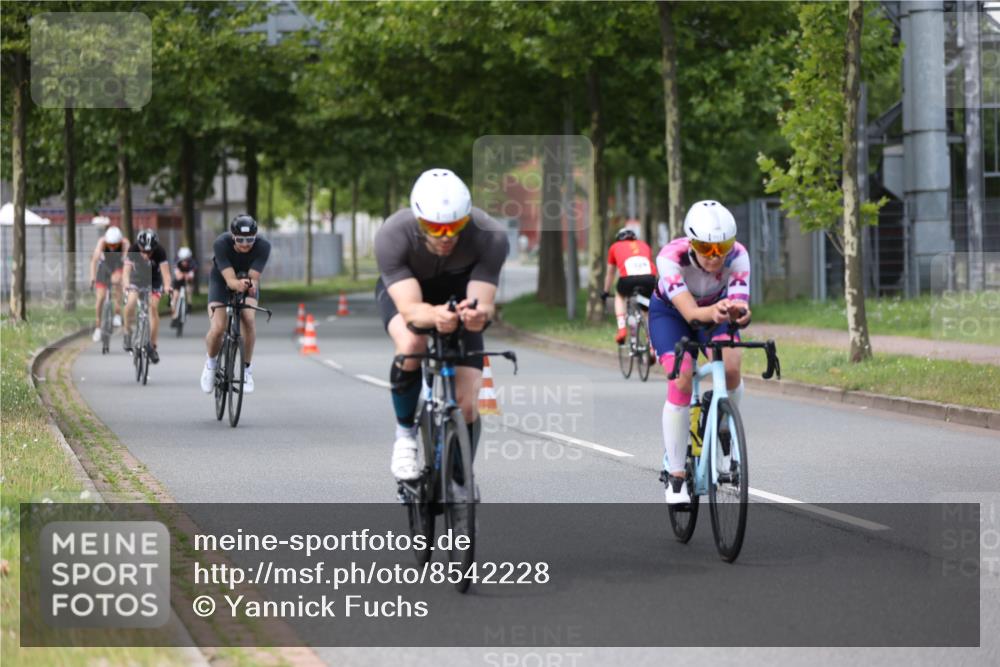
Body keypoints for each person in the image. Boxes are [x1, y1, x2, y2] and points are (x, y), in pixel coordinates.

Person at [374, 168, 508, 486]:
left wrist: (477, 316)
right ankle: (405, 436)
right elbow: (410, 310)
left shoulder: (491, 235)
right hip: (409, 294)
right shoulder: (393, 234)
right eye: (436, 227)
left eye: (455, 226)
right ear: (420, 221)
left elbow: (483, 303)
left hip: (459, 294)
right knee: (411, 344)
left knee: (467, 404)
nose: (446, 236)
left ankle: (459, 482)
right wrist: (435, 316)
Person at [649, 200, 751, 505]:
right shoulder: (671, 257)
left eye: (723, 246)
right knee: (682, 377)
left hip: (716, 312)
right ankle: (676, 473)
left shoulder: (740, 256)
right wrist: (720, 311)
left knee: (731, 366)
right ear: (692, 243)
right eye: (707, 248)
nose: (716, 256)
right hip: (672, 314)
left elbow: (742, 310)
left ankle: (723, 430)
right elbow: (691, 314)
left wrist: (739, 312)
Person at [200, 214, 271, 395]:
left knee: (248, 318)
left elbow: (254, 277)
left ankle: (246, 369)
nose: (245, 244)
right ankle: (211, 364)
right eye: (240, 239)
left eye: (250, 239)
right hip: (222, 280)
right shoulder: (220, 244)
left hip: (247, 281)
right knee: (218, 328)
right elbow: (230, 280)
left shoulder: (263, 246)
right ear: (232, 236)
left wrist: (250, 285)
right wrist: (237, 284)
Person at [122, 229, 173, 363]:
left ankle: (153, 346)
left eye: (149, 252)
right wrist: (126, 284)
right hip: (136, 280)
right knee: (131, 302)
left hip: (154, 282)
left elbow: (166, 274)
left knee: (153, 307)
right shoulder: (133, 249)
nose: (146, 255)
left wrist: (168, 286)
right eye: (143, 251)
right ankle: (127, 332)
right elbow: (126, 272)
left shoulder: (160, 252)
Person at [601, 228, 658, 345]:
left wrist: (605, 291)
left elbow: (610, 273)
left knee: (620, 296)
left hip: (627, 280)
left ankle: (622, 329)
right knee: (646, 310)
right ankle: (652, 344)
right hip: (649, 279)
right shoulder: (644, 245)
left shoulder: (614, 247)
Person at [89, 226, 129, 342]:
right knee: (100, 298)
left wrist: (125, 279)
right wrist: (92, 277)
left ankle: (117, 312)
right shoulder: (101, 242)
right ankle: (97, 327)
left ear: (120, 241)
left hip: (118, 265)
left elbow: (128, 262)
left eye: (115, 245)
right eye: (110, 245)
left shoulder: (125, 243)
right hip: (105, 267)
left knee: (118, 281)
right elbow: (94, 261)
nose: (112, 247)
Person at [170, 246, 196, 325]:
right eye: (183, 260)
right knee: (175, 296)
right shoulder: (176, 262)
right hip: (178, 281)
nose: (185, 262)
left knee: (189, 289)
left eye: (186, 260)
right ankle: (174, 315)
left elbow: (191, 276)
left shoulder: (192, 263)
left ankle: (189, 303)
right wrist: (184, 275)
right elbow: (178, 276)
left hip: (188, 281)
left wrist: (186, 275)